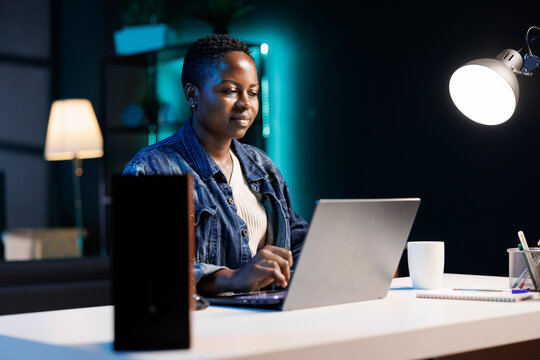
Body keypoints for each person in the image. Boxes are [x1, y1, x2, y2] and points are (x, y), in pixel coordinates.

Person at [123, 34, 308, 296]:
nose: (245, 103)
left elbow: (297, 240)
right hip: (201, 325)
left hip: (267, 320)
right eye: (230, 91)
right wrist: (234, 278)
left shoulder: (261, 165)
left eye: (253, 93)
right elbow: (148, 269)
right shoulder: (151, 169)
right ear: (192, 95)